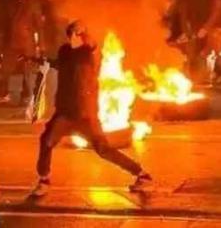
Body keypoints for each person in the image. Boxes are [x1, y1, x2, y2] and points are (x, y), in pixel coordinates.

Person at [30, 21, 152, 197]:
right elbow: (60, 64)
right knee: (46, 141)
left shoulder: (86, 55)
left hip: (85, 114)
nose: (74, 37)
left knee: (104, 150)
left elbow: (83, 57)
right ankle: (44, 180)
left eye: (78, 34)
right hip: (65, 112)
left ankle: (142, 174)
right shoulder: (65, 52)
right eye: (73, 33)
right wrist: (37, 60)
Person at [0, 0, 43, 104]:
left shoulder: (33, 3)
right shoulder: (14, 2)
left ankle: (26, 96)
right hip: (12, 42)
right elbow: (6, 23)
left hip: (27, 43)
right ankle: (3, 94)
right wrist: (0, 39)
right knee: (5, 69)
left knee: (26, 73)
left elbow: (39, 25)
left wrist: (40, 45)